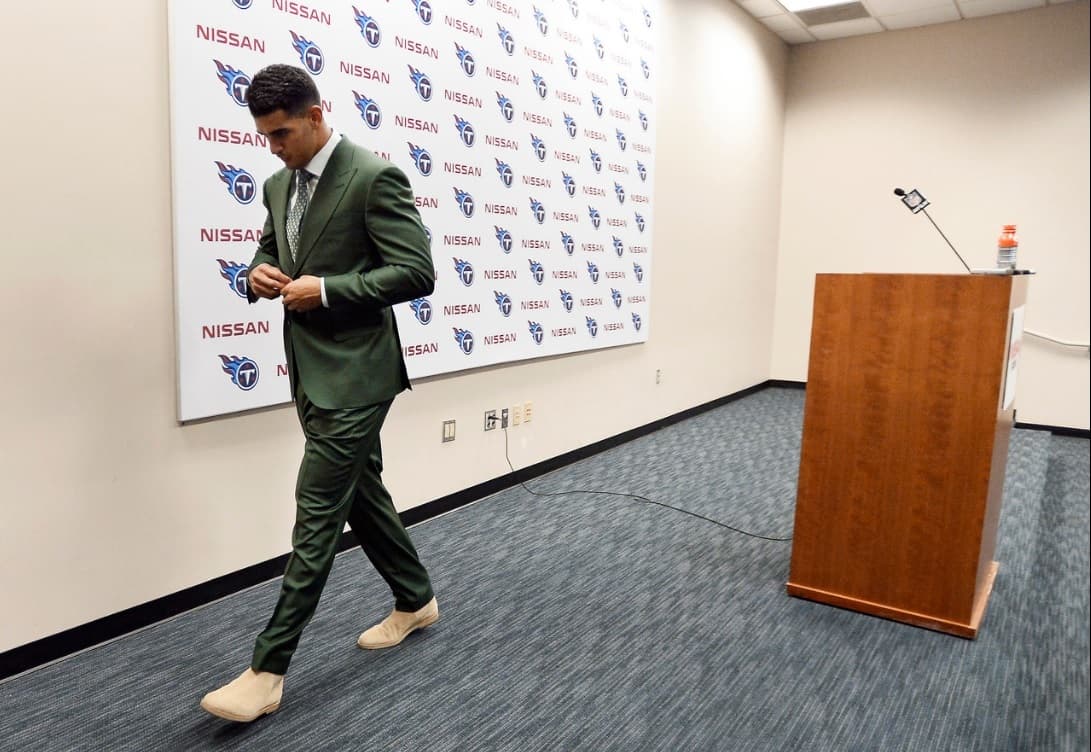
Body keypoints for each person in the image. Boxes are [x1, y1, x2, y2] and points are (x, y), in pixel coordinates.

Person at [200, 64, 439, 723]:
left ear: (315, 115)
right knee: (360, 492)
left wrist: (328, 290)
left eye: (281, 134)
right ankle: (415, 599)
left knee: (316, 511)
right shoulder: (278, 185)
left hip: (360, 372)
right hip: (308, 368)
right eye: (264, 137)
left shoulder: (374, 176)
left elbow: (416, 272)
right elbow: (268, 252)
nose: (272, 148)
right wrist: (257, 275)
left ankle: (266, 670)